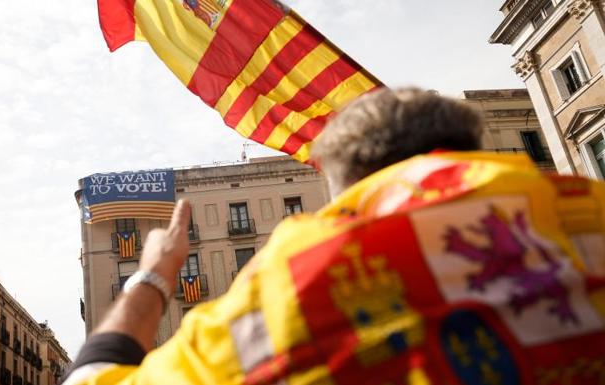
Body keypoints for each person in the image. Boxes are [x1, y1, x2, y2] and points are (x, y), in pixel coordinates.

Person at [63, 88, 605, 385]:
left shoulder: (302, 279)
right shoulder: (590, 210)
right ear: (472, 144)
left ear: (333, 179)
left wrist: (155, 274)